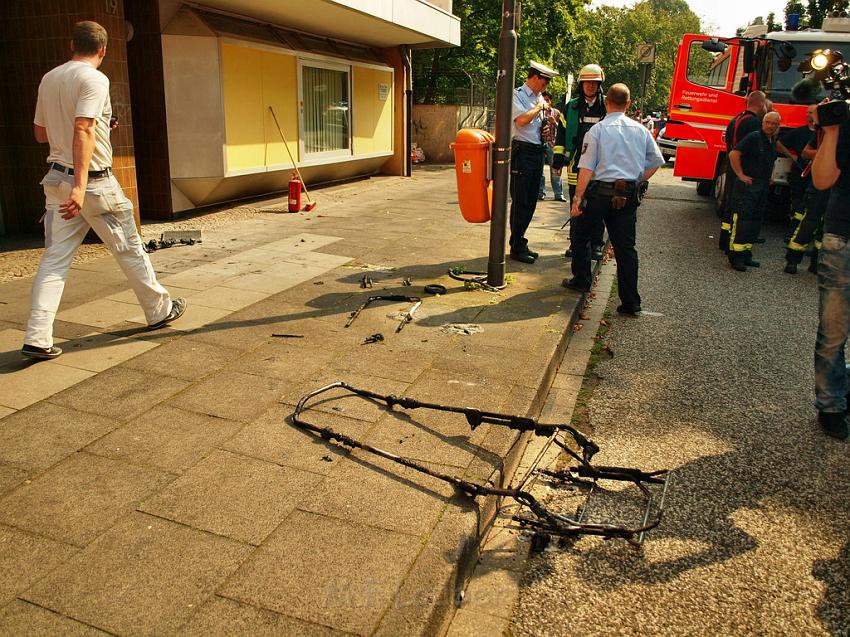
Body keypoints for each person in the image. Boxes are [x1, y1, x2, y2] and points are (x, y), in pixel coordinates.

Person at [22, 20, 186, 360]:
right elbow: (82, 127)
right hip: (93, 183)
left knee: (54, 261)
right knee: (129, 250)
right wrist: (80, 187)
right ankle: (158, 312)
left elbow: (42, 134)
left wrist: (95, 131)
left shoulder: (49, 78)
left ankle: (37, 337)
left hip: (55, 181)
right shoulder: (95, 78)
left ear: (71, 45)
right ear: (103, 50)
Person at [562, 83, 665, 315]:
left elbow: (586, 168)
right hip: (626, 196)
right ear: (628, 104)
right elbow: (656, 162)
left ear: (606, 102)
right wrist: (637, 179)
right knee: (626, 249)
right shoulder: (641, 131)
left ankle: (582, 280)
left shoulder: (597, 130)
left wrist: (577, 198)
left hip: (598, 194)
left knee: (580, 235)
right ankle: (631, 303)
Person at [810, 109, 850, 440]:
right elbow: (822, 179)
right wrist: (833, 130)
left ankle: (842, 389)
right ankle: (831, 405)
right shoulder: (846, 123)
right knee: (834, 329)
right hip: (844, 240)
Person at [553, 64, 607, 261]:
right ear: (581, 84)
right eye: (587, 83)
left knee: (598, 206)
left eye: (594, 83)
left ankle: (596, 245)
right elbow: (562, 135)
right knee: (577, 205)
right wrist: (557, 160)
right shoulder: (572, 107)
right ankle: (575, 244)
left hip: (600, 168)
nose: (590, 86)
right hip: (576, 165)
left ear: (599, 85)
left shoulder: (606, 107)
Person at [509, 61, 559, 264]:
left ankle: (520, 240)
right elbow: (521, 120)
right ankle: (516, 245)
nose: (545, 87)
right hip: (522, 152)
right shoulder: (517, 95)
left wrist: (547, 125)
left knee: (531, 201)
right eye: (545, 83)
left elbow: (536, 123)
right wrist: (539, 107)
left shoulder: (538, 97)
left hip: (537, 151)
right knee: (520, 200)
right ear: (536, 77)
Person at [726, 111, 781, 271]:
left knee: (755, 222)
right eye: (767, 122)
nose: (770, 126)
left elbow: (768, 162)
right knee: (743, 221)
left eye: (773, 124)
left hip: (761, 187)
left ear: (778, 126)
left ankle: (745, 254)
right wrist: (741, 175)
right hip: (747, 187)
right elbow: (734, 154)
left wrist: (769, 177)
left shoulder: (771, 142)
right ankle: (735, 257)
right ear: (762, 123)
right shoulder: (753, 137)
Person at [719, 91, 768, 252]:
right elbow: (751, 150)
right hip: (743, 172)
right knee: (739, 209)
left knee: (729, 203)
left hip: (732, 168)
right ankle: (733, 245)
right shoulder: (754, 123)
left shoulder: (736, 119)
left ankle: (724, 239)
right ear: (761, 104)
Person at [538, 92, 565, 202]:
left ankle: (558, 194)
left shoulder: (556, 112)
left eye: (548, 99)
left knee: (555, 170)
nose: (546, 102)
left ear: (551, 101)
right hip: (540, 144)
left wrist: (555, 123)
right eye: (544, 100)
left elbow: (563, 130)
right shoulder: (537, 112)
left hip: (552, 145)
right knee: (540, 171)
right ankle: (541, 193)